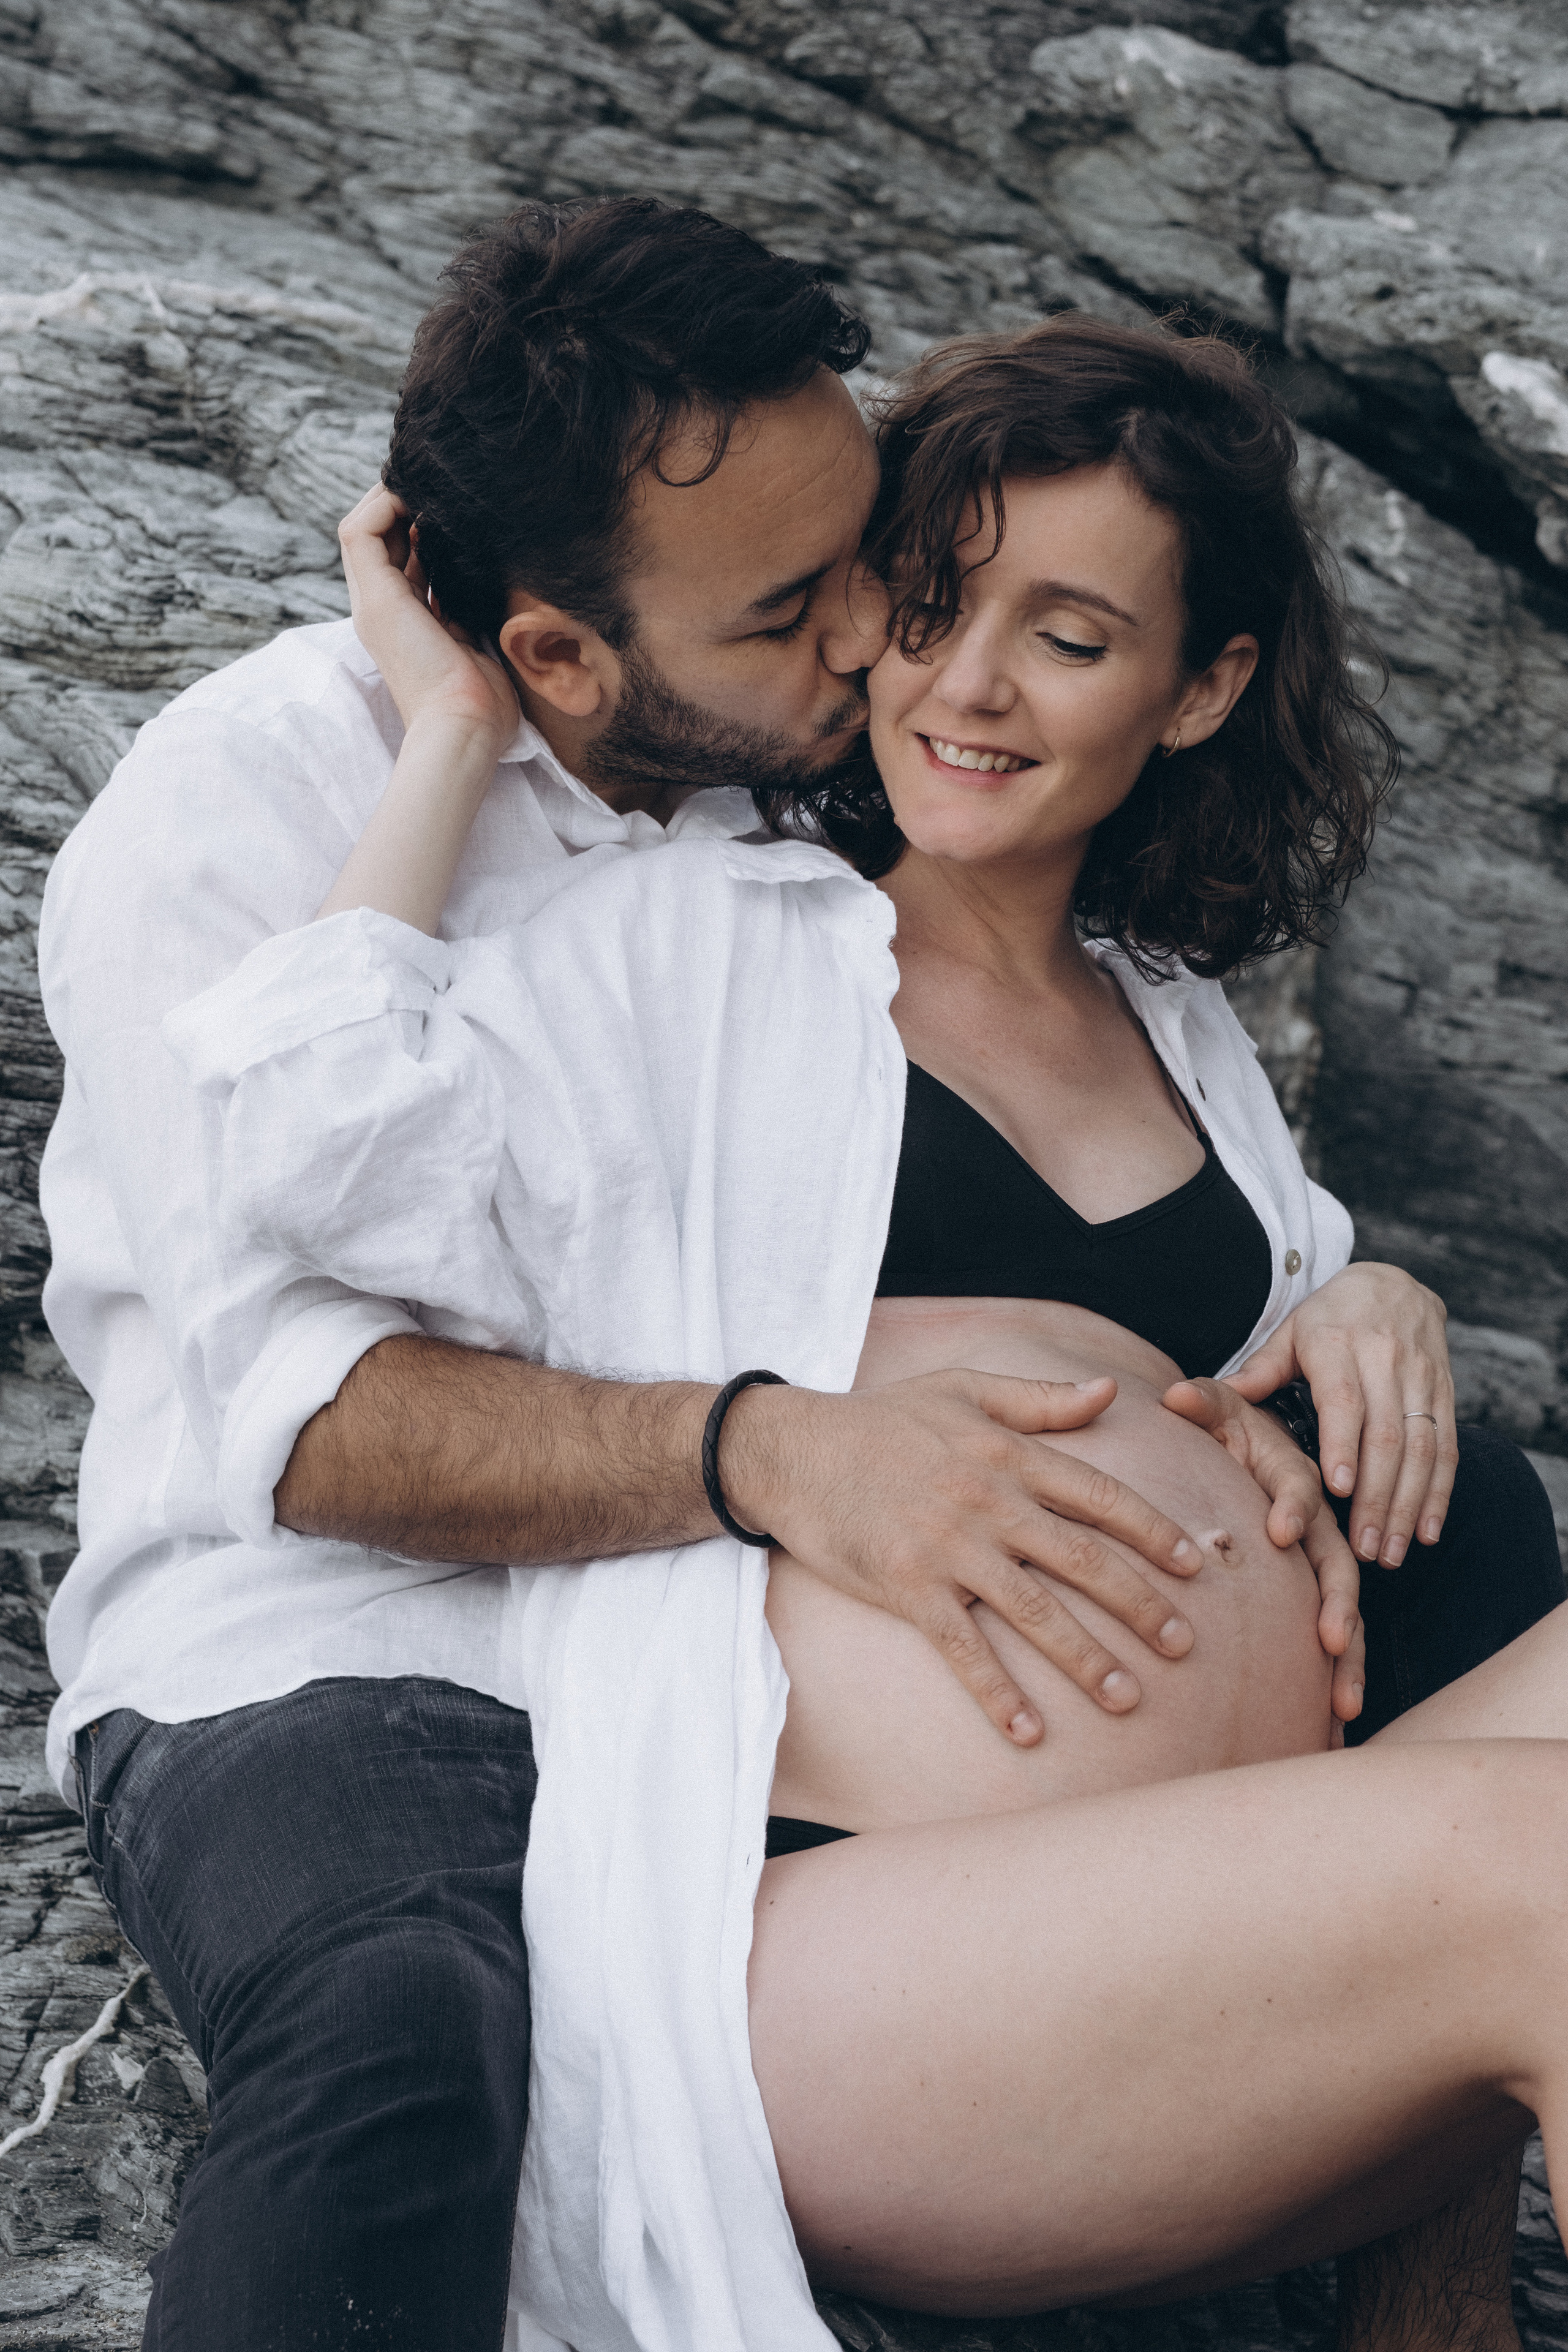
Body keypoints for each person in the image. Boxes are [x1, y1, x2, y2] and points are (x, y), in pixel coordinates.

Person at [40, 200, 1556, 2346]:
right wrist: (786, 1458)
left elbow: (1211, 1310)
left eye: (881, 566)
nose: (881, 649)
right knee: (397, 2032)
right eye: (841, 604)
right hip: (351, 1650)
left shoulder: (805, 848)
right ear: (560, 649)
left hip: (1071, 1827)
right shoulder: (364, 840)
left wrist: (1357, 1309)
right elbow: (298, 1383)